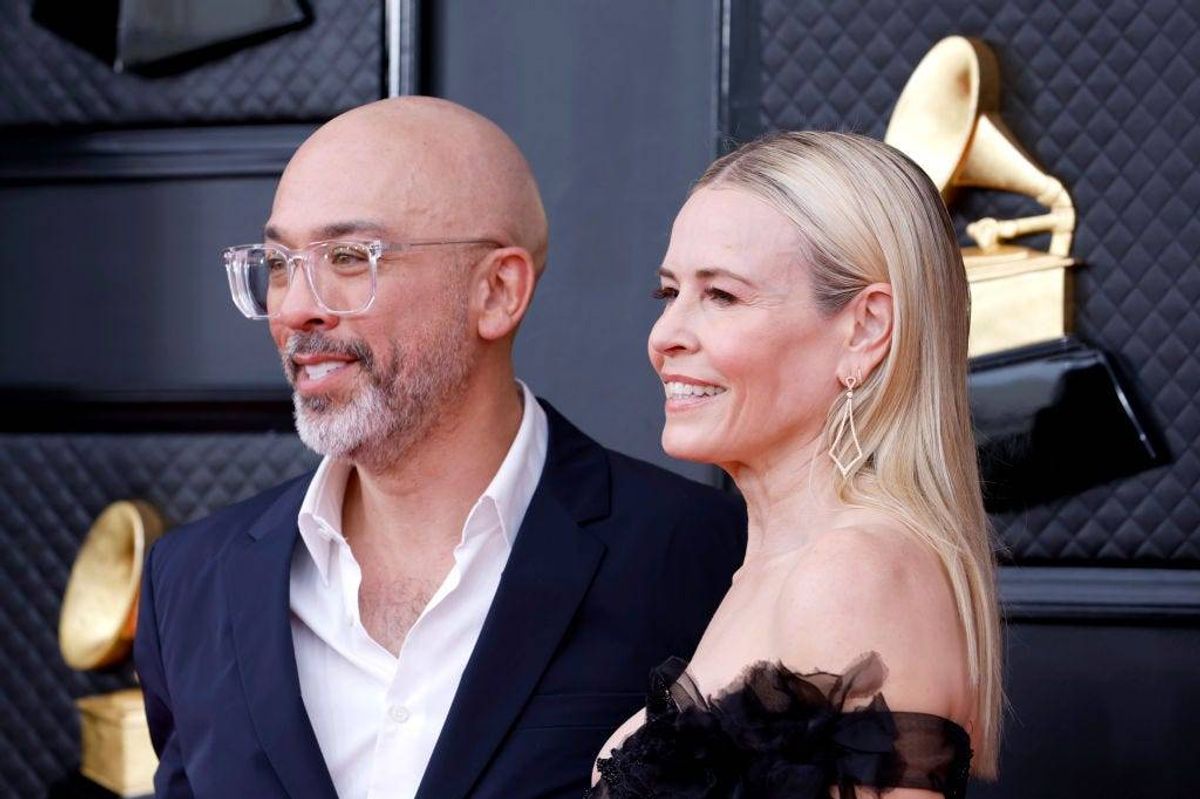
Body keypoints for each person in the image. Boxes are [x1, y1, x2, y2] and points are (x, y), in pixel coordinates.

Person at [132, 97, 746, 799]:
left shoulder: (701, 556)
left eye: (347, 257)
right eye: (278, 262)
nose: (295, 307)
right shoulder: (190, 581)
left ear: (497, 291)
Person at [590, 131, 1002, 798]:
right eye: (668, 292)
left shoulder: (850, 573)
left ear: (865, 328)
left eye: (722, 296)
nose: (665, 336)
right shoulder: (779, 567)